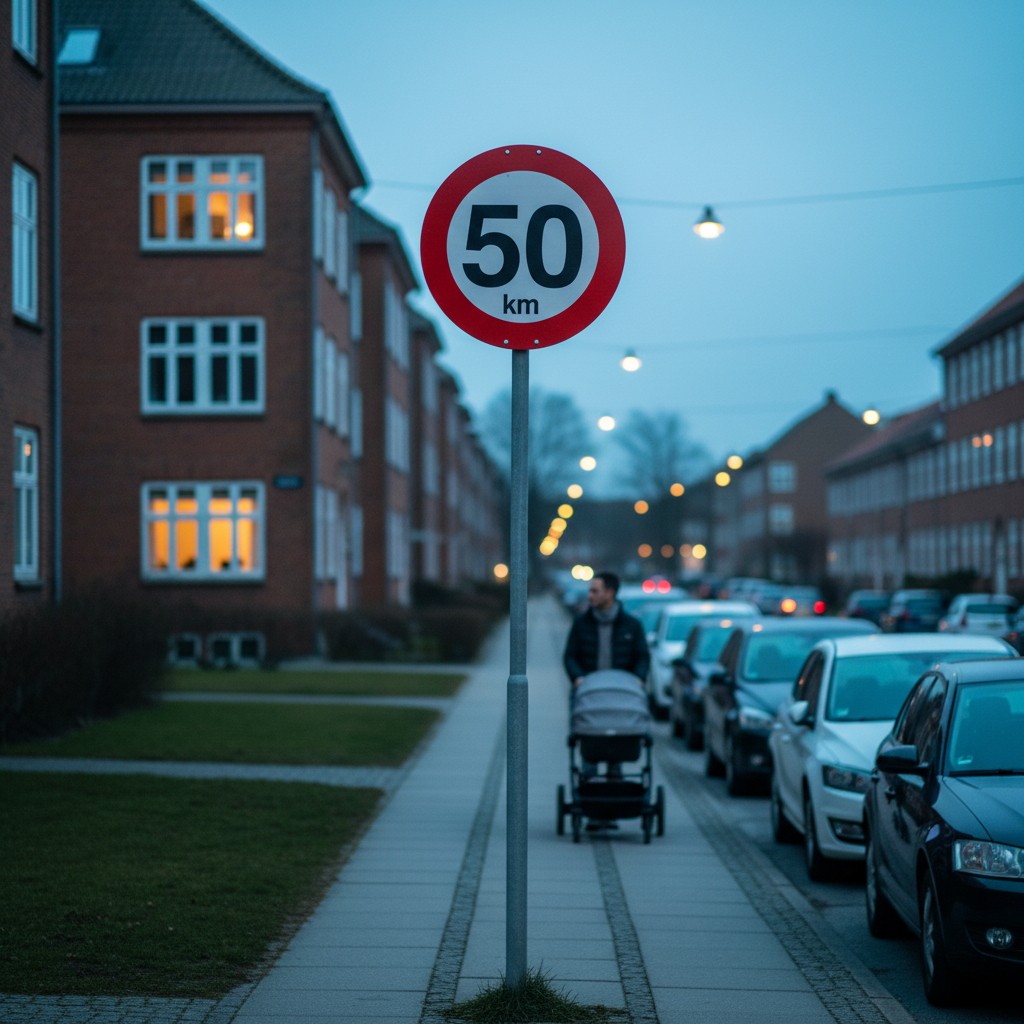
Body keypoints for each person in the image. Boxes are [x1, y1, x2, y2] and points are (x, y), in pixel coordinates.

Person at [564, 572, 650, 827]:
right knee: (590, 754)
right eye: (590, 591)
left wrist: (638, 679)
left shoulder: (631, 626)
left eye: (595, 591)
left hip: (621, 699)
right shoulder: (581, 624)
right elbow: (569, 656)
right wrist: (578, 678)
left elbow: (642, 656)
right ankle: (593, 809)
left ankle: (612, 810)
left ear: (610, 593)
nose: (589, 595)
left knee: (617, 754)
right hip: (590, 698)